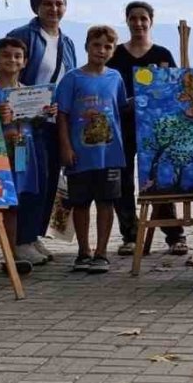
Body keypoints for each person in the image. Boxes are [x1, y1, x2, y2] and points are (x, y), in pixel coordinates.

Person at [105, 1, 185, 257]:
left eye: (143, 18)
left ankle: (174, 235)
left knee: (161, 180)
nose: (138, 23)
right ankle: (130, 236)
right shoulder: (115, 54)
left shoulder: (162, 54)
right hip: (122, 127)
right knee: (123, 182)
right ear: (127, 21)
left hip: (155, 129)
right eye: (133, 18)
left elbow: (175, 89)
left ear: (151, 21)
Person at [6, 0, 77, 262]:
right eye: (48, 3)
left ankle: (34, 234)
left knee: (48, 180)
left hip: (54, 122)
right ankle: (19, 239)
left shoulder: (67, 42)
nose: (54, 8)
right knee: (27, 179)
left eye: (59, 3)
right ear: (36, 7)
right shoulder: (23, 35)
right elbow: (9, 68)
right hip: (24, 125)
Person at [54, 25, 128, 274]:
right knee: (81, 203)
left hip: (110, 155)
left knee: (106, 202)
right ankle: (83, 251)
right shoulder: (72, 79)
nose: (101, 51)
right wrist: (65, 147)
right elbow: (62, 115)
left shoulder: (116, 78)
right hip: (80, 154)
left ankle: (101, 253)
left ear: (113, 50)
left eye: (108, 47)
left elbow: (121, 108)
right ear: (87, 47)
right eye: (96, 45)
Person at [0, 37, 51, 278]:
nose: (12, 60)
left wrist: (45, 113)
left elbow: (37, 123)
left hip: (23, 152)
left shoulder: (31, 93)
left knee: (15, 203)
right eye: (6, 55)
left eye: (17, 56)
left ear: (25, 62)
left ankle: (11, 255)